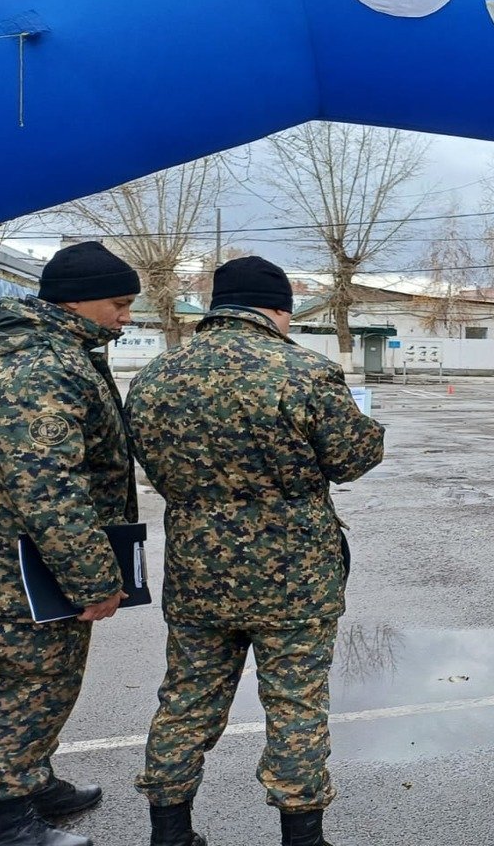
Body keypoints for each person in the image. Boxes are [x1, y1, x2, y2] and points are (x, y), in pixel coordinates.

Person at [127, 257, 385, 846]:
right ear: (279, 310)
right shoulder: (303, 371)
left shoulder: (156, 375)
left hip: (198, 573)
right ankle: (302, 837)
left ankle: (169, 833)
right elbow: (354, 458)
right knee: (295, 705)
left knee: (186, 701)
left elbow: (147, 464)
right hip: (295, 577)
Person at [0, 242, 140, 846]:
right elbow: (46, 484)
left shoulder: (58, 349)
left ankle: (30, 779)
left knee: (43, 678)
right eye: (118, 303)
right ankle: (7, 813)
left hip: (27, 555)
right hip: (24, 564)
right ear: (76, 300)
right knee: (31, 680)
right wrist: (93, 578)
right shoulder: (45, 364)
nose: (125, 318)